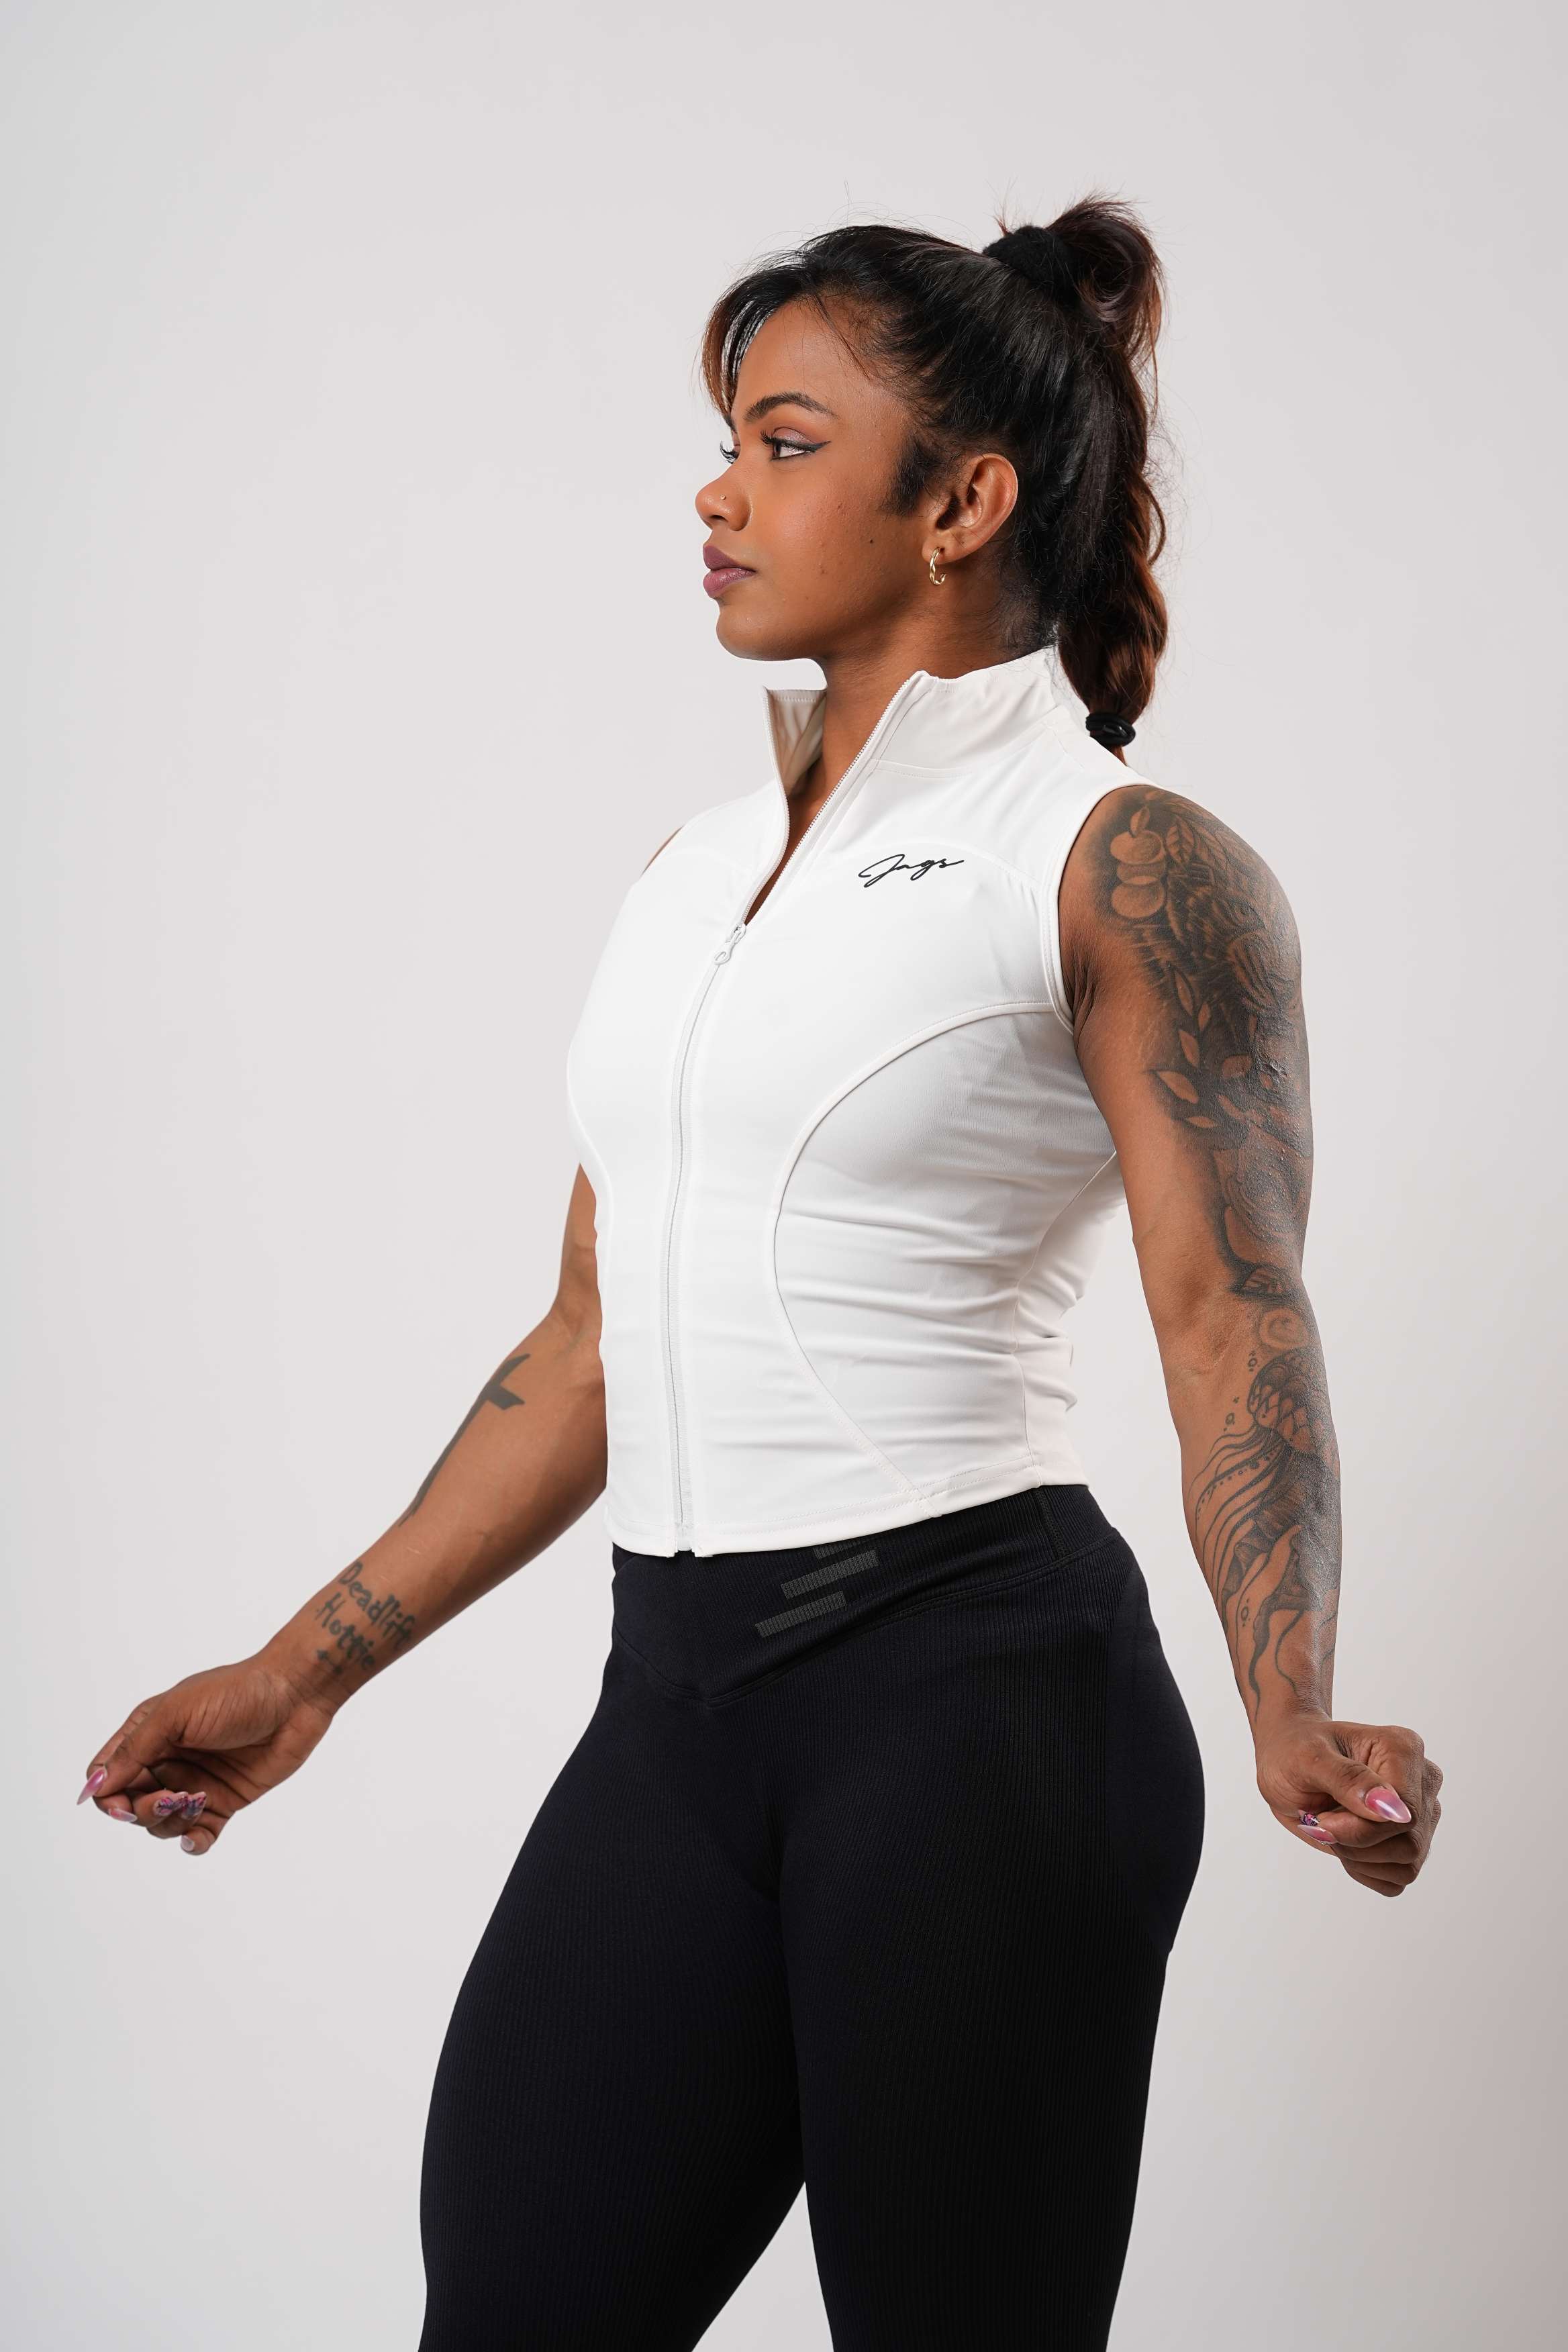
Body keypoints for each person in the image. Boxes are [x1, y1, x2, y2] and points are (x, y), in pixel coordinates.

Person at [78, 196, 1443, 2349]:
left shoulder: (1121, 861)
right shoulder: (692, 878)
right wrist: (304, 1672)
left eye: (786, 445)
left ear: (962, 505)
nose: (718, 494)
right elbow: (590, 1343)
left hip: (981, 1713)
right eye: (729, 443)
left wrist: (1291, 1697)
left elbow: (1230, 1308)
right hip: (678, 1713)